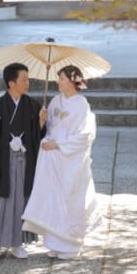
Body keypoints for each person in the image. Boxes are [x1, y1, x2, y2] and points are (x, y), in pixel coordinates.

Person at [21, 64, 100, 259]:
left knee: (70, 197)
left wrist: (59, 144)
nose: (59, 82)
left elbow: (85, 135)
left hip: (69, 159)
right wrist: (41, 121)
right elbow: (49, 128)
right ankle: (55, 242)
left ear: (73, 80)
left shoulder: (81, 104)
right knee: (52, 197)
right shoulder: (55, 101)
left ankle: (71, 244)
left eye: (62, 78)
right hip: (52, 157)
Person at [0, 62, 46, 260]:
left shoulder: (33, 105)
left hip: (25, 161)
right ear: (11, 83)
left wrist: (40, 123)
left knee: (22, 200)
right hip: (4, 160)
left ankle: (17, 243)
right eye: (24, 79)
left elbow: (37, 137)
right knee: (2, 201)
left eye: (28, 79)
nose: (28, 83)